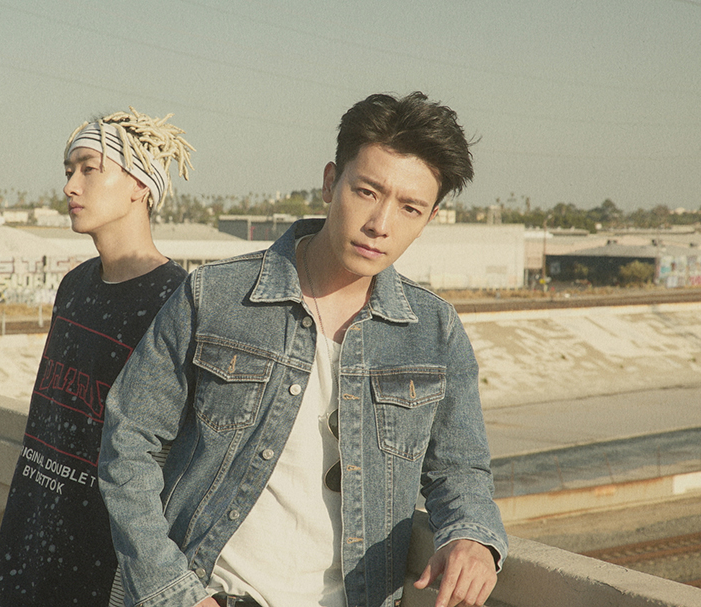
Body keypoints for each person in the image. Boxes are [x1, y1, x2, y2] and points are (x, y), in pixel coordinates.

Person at [98, 92, 507, 607]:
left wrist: (472, 536)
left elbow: (459, 470)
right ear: (331, 182)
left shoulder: (433, 331)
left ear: (429, 217)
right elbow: (128, 442)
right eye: (367, 192)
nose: (381, 224)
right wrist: (172, 591)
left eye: (410, 208)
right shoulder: (216, 296)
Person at [0, 107, 194, 607]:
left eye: (89, 169)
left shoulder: (178, 303)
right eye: (69, 170)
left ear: (140, 185)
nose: (70, 186)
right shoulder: (74, 285)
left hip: (93, 579)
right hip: (16, 562)